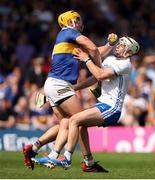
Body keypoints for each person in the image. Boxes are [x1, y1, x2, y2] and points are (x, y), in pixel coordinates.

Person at [23, 10, 117, 172]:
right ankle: (88, 162)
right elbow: (92, 48)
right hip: (60, 85)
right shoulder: (69, 32)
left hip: (53, 84)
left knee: (66, 122)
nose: (81, 22)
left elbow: (95, 51)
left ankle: (35, 148)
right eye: (77, 19)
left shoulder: (69, 41)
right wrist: (99, 71)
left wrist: (109, 45)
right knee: (80, 121)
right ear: (70, 22)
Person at [36, 36, 139, 169]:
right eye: (118, 44)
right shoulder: (110, 59)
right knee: (79, 124)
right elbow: (95, 77)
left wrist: (86, 59)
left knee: (74, 120)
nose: (118, 46)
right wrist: (74, 88)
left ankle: (66, 158)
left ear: (129, 52)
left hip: (112, 108)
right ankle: (88, 163)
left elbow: (101, 75)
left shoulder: (125, 64)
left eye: (122, 45)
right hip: (103, 104)